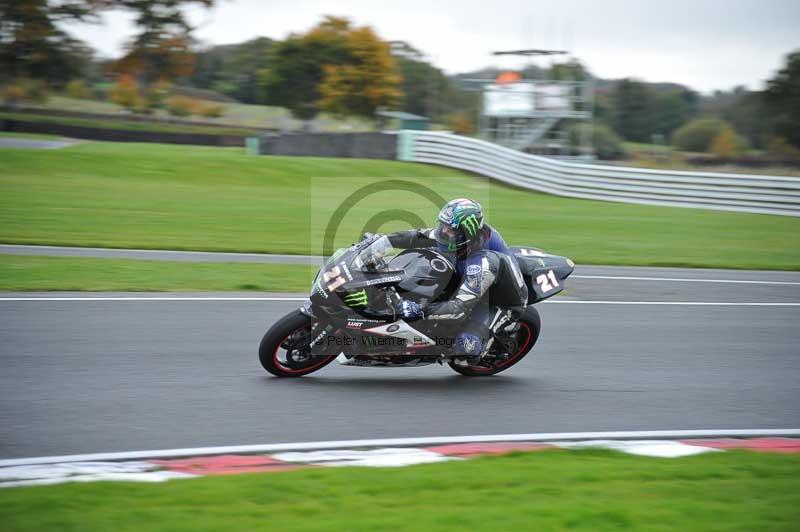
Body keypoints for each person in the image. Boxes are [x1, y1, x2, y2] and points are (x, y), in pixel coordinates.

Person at [369, 198, 529, 364]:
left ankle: (480, 348)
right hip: (468, 276)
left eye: (450, 230)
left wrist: (420, 310)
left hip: (498, 301)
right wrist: (380, 242)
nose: (443, 231)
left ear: (465, 233)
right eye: (442, 225)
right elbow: (416, 236)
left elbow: (458, 308)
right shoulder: (461, 239)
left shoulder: (482, 265)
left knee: (465, 349)